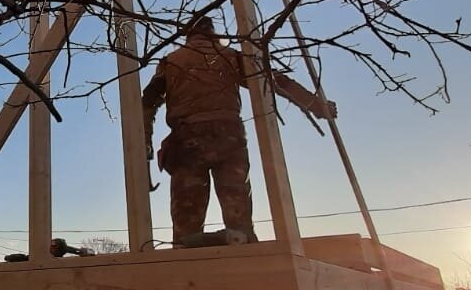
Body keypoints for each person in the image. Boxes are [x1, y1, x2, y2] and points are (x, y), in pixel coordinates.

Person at [141, 15, 335, 244]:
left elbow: (148, 101)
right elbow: (271, 80)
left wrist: (145, 142)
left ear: (187, 35)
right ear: (214, 33)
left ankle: (190, 262)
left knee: (187, 227)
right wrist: (313, 104)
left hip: (187, 142)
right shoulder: (231, 56)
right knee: (239, 219)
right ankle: (244, 249)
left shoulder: (171, 61)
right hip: (229, 138)